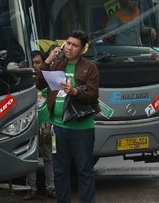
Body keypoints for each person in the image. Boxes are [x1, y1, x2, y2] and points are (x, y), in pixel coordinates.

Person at [36, 30, 100, 203]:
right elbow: (39, 83)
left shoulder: (90, 67)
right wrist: (47, 61)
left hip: (81, 128)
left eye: (75, 45)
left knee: (84, 171)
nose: (70, 48)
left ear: (82, 49)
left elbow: (93, 95)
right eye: (68, 43)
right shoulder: (57, 64)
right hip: (58, 128)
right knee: (60, 171)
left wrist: (75, 91)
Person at [23, 51, 56, 200]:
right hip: (28, 125)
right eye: (33, 63)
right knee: (30, 157)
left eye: (38, 62)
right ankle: (31, 189)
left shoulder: (49, 77)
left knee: (49, 157)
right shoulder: (25, 80)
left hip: (46, 124)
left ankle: (51, 188)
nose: (35, 66)